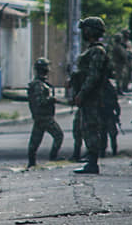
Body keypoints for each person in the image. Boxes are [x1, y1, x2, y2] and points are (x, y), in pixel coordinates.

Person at [69, 16, 111, 174]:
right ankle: (90, 159)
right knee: (85, 128)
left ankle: (93, 162)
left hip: (92, 97)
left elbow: (93, 76)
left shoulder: (97, 51)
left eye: (85, 29)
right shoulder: (92, 50)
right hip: (88, 97)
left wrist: (82, 93)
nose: (83, 33)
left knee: (91, 128)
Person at [26, 58, 64, 168]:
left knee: (35, 140)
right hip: (44, 116)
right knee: (58, 135)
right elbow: (40, 101)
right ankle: (52, 157)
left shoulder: (41, 83)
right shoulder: (38, 85)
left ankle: (31, 162)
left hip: (41, 116)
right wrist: (52, 99)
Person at [98, 75, 121, 157]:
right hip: (104, 113)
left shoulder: (107, 89)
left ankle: (109, 150)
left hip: (107, 113)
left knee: (109, 134)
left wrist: (117, 113)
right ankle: (104, 151)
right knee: (105, 134)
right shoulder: (104, 88)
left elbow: (115, 102)